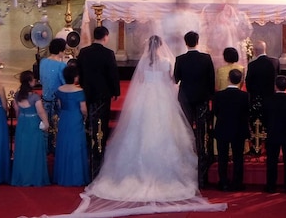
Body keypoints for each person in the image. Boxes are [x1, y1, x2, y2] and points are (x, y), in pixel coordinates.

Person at [70, 35, 226, 216]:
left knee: (138, 132)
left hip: (145, 101)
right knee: (167, 132)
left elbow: (141, 81)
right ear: (161, 47)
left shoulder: (144, 62)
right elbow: (171, 81)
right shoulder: (167, 61)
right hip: (162, 100)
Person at [76, 26, 121, 176]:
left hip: (88, 92)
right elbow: (113, 74)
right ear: (105, 37)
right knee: (101, 122)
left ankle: (90, 149)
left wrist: (83, 86)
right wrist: (116, 91)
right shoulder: (108, 53)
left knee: (90, 120)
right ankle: (99, 155)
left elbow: (80, 72)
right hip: (103, 94)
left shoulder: (83, 52)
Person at [174, 31, 216, 187]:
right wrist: (210, 98)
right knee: (202, 133)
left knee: (185, 131)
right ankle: (202, 176)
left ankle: (185, 167)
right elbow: (211, 80)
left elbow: (176, 78)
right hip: (202, 99)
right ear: (198, 41)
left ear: (186, 43)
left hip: (185, 99)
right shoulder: (206, 58)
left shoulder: (180, 59)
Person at [212, 69, 250, 191]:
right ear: (240, 81)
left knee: (222, 157)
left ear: (228, 78)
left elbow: (215, 112)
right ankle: (237, 183)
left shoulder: (219, 95)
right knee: (238, 157)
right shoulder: (245, 96)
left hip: (223, 128)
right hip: (239, 129)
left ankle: (223, 182)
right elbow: (246, 113)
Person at [11, 71, 50, 186]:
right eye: (33, 79)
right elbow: (41, 111)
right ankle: (34, 178)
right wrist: (46, 123)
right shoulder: (34, 97)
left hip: (22, 122)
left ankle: (22, 177)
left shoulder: (17, 95)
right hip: (33, 123)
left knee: (23, 150)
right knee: (34, 150)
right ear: (29, 82)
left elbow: (17, 110)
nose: (35, 81)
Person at [263, 75, 286, 193]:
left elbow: (264, 119)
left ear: (275, 86)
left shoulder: (268, 101)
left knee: (272, 160)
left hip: (273, 133)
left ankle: (270, 186)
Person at [54, 65, 89, 186]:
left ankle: (62, 175)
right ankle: (76, 177)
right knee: (76, 145)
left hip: (64, 118)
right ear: (75, 77)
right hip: (75, 118)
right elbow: (83, 109)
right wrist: (85, 117)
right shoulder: (79, 91)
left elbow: (59, 106)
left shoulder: (60, 90)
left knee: (64, 144)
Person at [40, 38, 68, 149]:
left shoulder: (43, 62)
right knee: (57, 126)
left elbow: (42, 79)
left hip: (45, 98)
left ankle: (46, 147)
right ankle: (56, 147)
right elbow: (64, 84)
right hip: (57, 101)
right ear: (61, 51)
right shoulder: (61, 66)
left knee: (47, 126)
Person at [245, 40, 278, 131]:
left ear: (254, 51)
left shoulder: (252, 65)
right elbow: (277, 79)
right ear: (265, 49)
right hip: (271, 97)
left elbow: (248, 83)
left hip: (257, 99)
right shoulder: (275, 62)